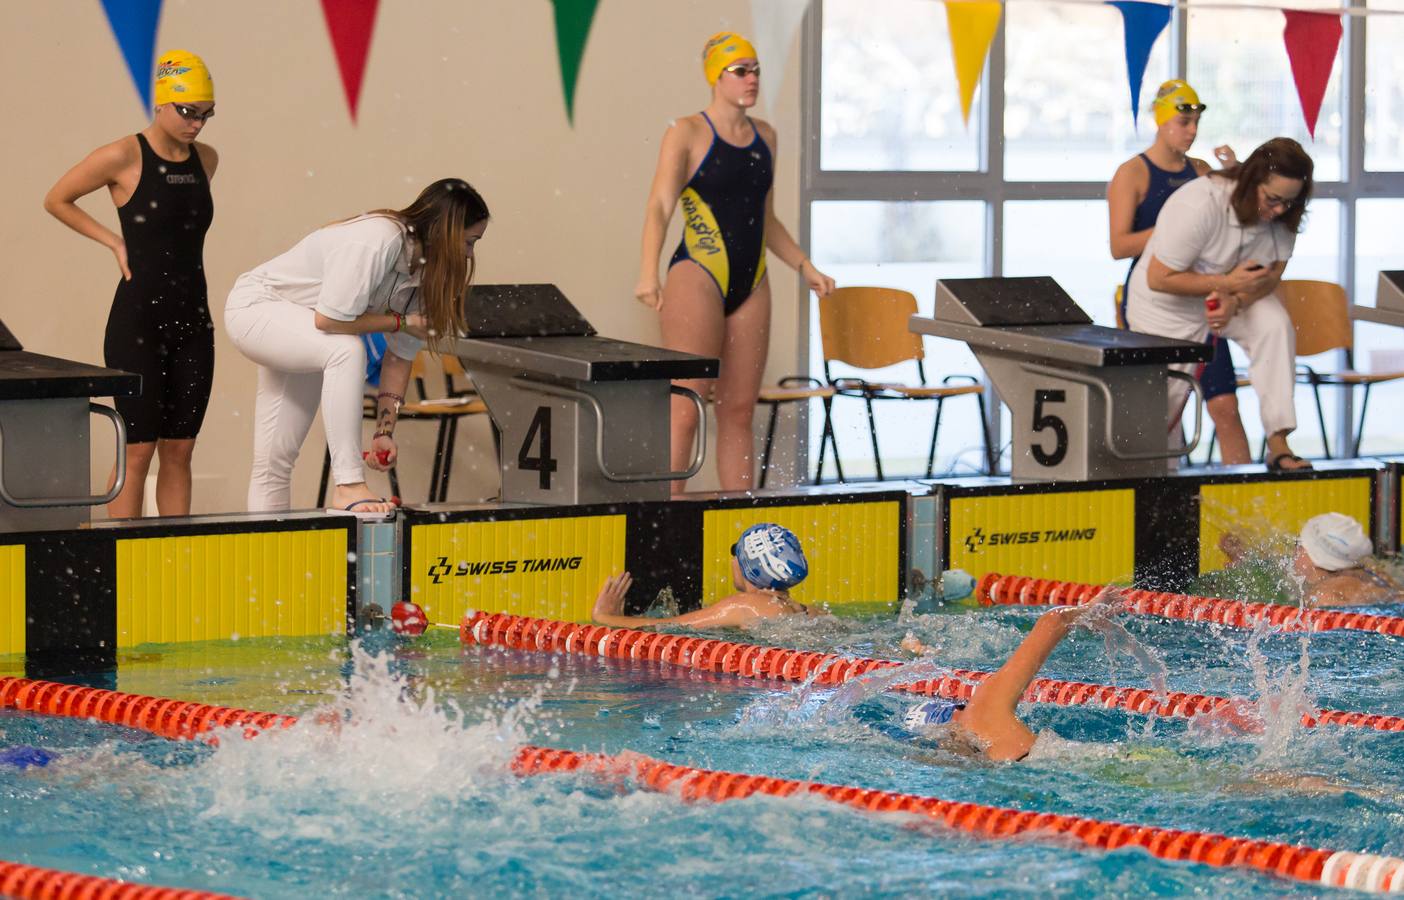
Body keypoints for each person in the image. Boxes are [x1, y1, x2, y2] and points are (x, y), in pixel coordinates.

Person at [636, 33, 836, 494]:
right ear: (715, 76)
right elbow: (660, 206)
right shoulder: (686, 132)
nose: (752, 79)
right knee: (686, 403)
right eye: (740, 70)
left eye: (756, 70)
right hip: (697, 275)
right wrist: (648, 271)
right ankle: (667, 516)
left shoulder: (766, 136)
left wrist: (804, 265)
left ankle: (740, 524)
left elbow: (765, 217)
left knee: (739, 409)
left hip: (753, 280)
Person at [225, 179, 489, 513]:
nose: (469, 254)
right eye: (469, 242)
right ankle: (349, 485)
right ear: (446, 231)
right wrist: (401, 322)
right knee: (347, 350)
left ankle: (266, 560)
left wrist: (384, 431)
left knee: (275, 462)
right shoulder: (380, 239)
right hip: (256, 309)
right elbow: (328, 321)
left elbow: (398, 358)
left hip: (305, 330)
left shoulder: (424, 276)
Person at [44, 50, 219, 518]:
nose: (197, 124)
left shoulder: (206, 160)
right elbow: (57, 198)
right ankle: (122, 564)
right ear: (161, 103)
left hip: (193, 323)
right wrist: (112, 241)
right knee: (137, 450)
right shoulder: (121, 155)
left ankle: (176, 562)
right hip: (137, 322)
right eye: (187, 112)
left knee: (180, 452)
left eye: (206, 114)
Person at [1126, 137, 1315, 472]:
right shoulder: (1200, 203)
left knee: (1273, 323)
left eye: (1288, 202)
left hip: (1224, 299)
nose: (1278, 210)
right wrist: (1228, 284)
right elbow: (1159, 277)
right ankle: (1156, 478)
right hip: (1164, 306)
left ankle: (1278, 441)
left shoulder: (1283, 213)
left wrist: (1237, 300)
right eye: (1272, 199)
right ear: (1250, 181)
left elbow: (1271, 277)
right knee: (1161, 412)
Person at [1108, 80, 1250, 465]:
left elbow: (1233, 223)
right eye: (1183, 122)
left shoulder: (1201, 171)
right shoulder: (1132, 173)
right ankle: (1155, 496)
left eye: (1195, 123)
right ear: (1161, 120)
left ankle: (1246, 510)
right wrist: (1176, 227)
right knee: (1159, 412)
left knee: (1225, 407)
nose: (1191, 131)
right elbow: (1119, 246)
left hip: (1202, 300)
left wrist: (1236, 175)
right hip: (1153, 302)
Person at [899, 590, 1124, 761]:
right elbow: (1054, 620)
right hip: (1111, 762)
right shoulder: (980, 712)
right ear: (955, 711)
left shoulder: (977, 774)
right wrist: (1090, 610)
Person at [593, 523, 824, 628]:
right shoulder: (808, 611)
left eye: (737, 553)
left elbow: (668, 627)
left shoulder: (745, 605)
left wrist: (605, 618)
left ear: (749, 567)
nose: (733, 560)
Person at [1218, 512, 1400, 607]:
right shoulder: (1371, 573)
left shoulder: (1323, 597)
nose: (1293, 550)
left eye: (1299, 543)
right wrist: (1245, 559)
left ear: (1313, 555)